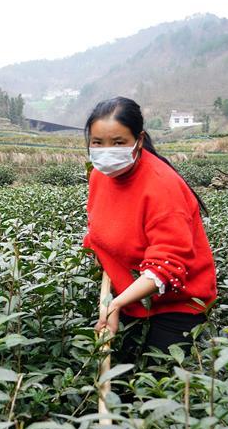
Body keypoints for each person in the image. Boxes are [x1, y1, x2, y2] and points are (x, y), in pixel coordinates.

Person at [82, 97, 217, 365]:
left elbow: (165, 267)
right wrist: (113, 303)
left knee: (154, 390)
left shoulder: (161, 187)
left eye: (118, 142)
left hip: (177, 304)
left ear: (139, 140)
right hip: (129, 294)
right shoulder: (100, 176)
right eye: (98, 142)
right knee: (121, 382)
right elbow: (99, 233)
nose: (106, 151)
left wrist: (115, 305)